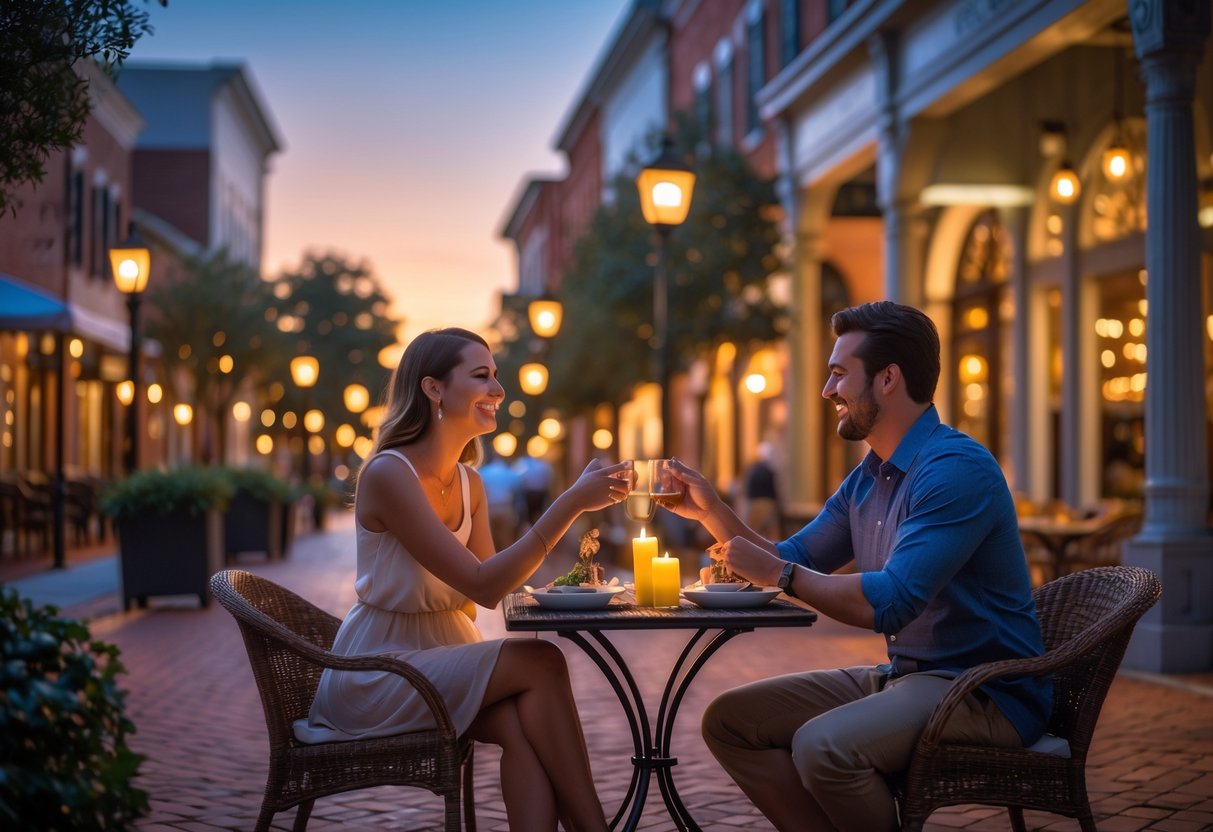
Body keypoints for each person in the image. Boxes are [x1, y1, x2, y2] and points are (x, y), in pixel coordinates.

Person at [661, 302, 1051, 832]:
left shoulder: (956, 469)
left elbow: (889, 602)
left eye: (839, 373)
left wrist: (779, 575)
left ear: (888, 379)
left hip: (983, 691)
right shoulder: (870, 475)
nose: (827, 390)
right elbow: (794, 557)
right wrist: (712, 512)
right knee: (731, 721)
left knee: (824, 747)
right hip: (905, 676)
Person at [297, 327, 630, 831]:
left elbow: (499, 586)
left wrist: (574, 584)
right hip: (382, 669)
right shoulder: (390, 475)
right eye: (481, 377)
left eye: (496, 376)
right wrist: (570, 505)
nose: (498, 390)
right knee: (540, 661)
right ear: (433, 389)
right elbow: (483, 585)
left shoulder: (470, 481)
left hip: (441, 657)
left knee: (525, 725)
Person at [479, 446, 526, 550]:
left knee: (490, 541)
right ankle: (508, 564)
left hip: (488, 509)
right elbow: (517, 493)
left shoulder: (483, 472)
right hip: (505, 508)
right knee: (506, 541)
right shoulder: (510, 473)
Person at [741, 441, 782, 539]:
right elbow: (774, 490)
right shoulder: (769, 472)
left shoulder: (751, 470)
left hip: (754, 503)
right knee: (771, 532)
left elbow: (747, 489)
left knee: (754, 531)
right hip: (768, 504)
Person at [513, 452, 554, 525]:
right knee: (540, 515)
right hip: (538, 493)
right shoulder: (543, 465)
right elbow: (548, 479)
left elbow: (518, 478)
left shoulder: (523, 464)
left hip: (530, 493)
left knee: (529, 516)